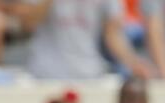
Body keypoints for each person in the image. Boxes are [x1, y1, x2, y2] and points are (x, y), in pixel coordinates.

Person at [11, 0, 155, 80]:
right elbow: (27, 24)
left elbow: (113, 33)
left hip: (90, 74)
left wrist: (134, 63)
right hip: (46, 74)